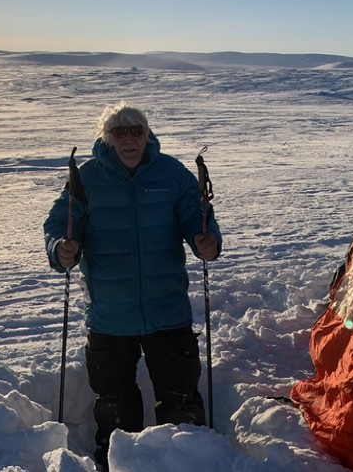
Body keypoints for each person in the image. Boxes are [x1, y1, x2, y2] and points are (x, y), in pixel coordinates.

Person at [43, 102, 222, 469]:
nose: (129, 139)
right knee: (114, 408)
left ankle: (188, 464)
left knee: (181, 402)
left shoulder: (172, 174)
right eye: (119, 132)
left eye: (136, 131)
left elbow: (197, 216)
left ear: (147, 135)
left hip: (167, 309)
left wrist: (208, 241)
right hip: (110, 315)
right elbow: (61, 223)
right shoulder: (87, 178)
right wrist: (60, 248)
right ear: (106, 137)